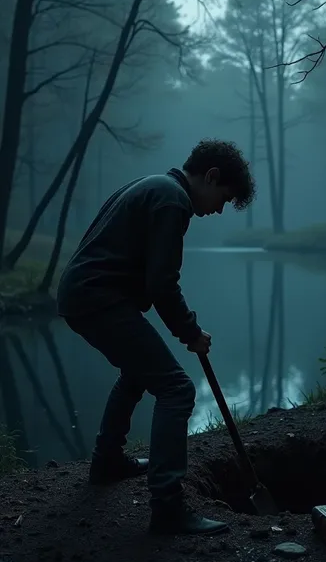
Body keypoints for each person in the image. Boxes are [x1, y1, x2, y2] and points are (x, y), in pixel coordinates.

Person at [56, 139, 255, 536]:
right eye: (222, 198)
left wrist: (181, 327)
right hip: (98, 299)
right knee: (177, 389)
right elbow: (162, 283)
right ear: (211, 176)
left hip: (86, 295)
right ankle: (167, 508)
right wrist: (191, 333)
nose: (217, 210)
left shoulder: (153, 185)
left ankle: (107, 462)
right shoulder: (172, 201)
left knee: (138, 374)